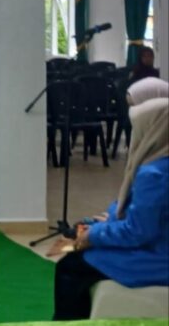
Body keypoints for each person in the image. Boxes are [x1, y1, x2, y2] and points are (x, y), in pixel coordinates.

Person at [53, 96, 169, 320]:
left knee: (71, 265)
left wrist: (92, 235)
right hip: (159, 249)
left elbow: (138, 232)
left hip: (158, 259)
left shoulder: (154, 174)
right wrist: (104, 224)